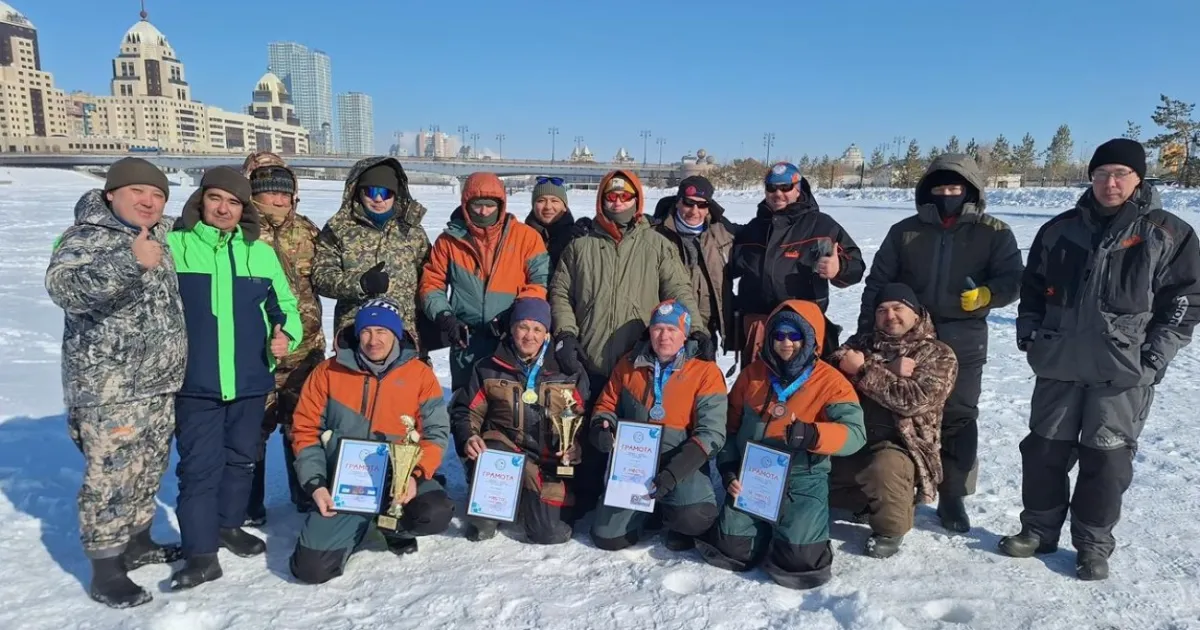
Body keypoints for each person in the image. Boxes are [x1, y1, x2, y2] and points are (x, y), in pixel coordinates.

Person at [1000, 139, 1200, 581]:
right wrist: (1030, 332)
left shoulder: (1168, 232)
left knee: (1106, 462)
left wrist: (1153, 357)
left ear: (1138, 179)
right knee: (1043, 452)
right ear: (1091, 177)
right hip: (1059, 363)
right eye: (1102, 173)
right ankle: (1037, 529)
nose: (1111, 183)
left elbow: (1185, 302)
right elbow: (1032, 288)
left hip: (1122, 371)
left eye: (1121, 174)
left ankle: (1092, 546)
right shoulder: (1060, 229)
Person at [45, 158, 187, 608]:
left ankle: (138, 540)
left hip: (157, 381)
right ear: (111, 194)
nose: (149, 202)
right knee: (110, 476)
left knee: (147, 467)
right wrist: (129, 262)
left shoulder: (159, 234)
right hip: (110, 389)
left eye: (158, 195)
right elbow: (63, 289)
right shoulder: (86, 236)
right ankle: (106, 568)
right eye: (138, 192)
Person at [856, 154, 1023, 533]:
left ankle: (953, 495)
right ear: (927, 192)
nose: (947, 194)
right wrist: (867, 331)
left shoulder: (993, 231)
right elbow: (878, 282)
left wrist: (988, 295)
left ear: (970, 190)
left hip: (963, 335)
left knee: (959, 415)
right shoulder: (905, 232)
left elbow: (1014, 279)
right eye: (940, 188)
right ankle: (898, 485)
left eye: (955, 188)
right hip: (906, 336)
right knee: (895, 407)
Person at [166, 167, 303, 590]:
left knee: (242, 459)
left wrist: (287, 336)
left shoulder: (257, 252)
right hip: (196, 381)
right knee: (199, 468)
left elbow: (285, 305)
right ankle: (201, 553)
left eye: (233, 202)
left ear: (244, 209)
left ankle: (228, 524)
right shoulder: (174, 246)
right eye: (216, 199)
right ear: (201, 201)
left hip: (249, 378)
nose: (223, 209)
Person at [699, 300, 865, 590]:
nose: (785, 342)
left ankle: (793, 530)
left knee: (799, 562)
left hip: (802, 479)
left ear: (810, 338)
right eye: (778, 335)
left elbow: (855, 434)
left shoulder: (831, 382)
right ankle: (762, 530)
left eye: (795, 335)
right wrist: (728, 470)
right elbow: (730, 426)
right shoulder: (751, 376)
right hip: (753, 477)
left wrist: (815, 435)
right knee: (732, 547)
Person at [289, 298, 454, 584]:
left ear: (396, 335)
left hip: (397, 479)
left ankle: (392, 526)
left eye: (382, 332)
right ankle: (355, 524)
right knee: (311, 569)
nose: (373, 340)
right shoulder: (328, 373)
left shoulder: (420, 375)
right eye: (366, 331)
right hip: (343, 484)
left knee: (434, 512)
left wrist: (415, 474)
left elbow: (436, 433)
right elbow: (304, 430)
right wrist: (315, 484)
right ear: (357, 333)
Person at [549, 170, 704, 402]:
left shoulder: (657, 245)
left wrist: (697, 330)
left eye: (625, 196)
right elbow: (560, 293)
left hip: (639, 362)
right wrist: (566, 333)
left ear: (636, 199)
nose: (618, 202)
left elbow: (678, 290)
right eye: (611, 197)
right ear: (602, 200)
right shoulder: (579, 246)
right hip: (588, 361)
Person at [829, 284, 958, 558]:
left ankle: (890, 528)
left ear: (915, 313)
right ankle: (861, 503)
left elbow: (913, 399)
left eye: (898, 308)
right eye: (882, 310)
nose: (890, 316)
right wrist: (886, 369)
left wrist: (864, 369)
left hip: (899, 446)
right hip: (852, 435)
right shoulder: (861, 342)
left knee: (884, 467)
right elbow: (832, 369)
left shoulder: (937, 353)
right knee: (811, 461)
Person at [588, 300, 726, 551]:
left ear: (684, 335)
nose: (664, 336)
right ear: (649, 332)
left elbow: (712, 433)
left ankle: (671, 511)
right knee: (608, 537)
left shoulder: (706, 372)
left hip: (680, 463)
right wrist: (602, 427)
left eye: (672, 330)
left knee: (694, 518)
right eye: (658, 329)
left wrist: (672, 475)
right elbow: (605, 406)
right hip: (635, 467)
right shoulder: (628, 365)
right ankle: (645, 513)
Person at [451, 296, 587, 544]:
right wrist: (468, 436)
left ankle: (528, 499)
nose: (529, 336)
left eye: (537, 329)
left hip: (547, 461)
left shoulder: (567, 371)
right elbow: (465, 411)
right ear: (512, 329)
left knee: (547, 533)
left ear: (547, 334)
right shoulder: (489, 367)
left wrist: (578, 445)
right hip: (506, 452)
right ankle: (488, 513)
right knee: (491, 452)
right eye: (523, 327)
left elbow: (582, 417)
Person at [241, 152, 327, 523]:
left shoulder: (307, 231)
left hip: (305, 352)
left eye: (284, 193)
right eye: (267, 192)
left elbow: (325, 277)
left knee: (302, 426)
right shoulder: (238, 231)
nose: (277, 200)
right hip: (253, 353)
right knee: (251, 431)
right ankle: (248, 505)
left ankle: (307, 493)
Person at [420, 172, 550, 391]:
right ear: (466, 204)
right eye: (477, 205)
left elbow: (540, 282)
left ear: (501, 204)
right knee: (465, 403)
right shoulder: (449, 241)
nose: (483, 211)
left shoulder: (526, 237)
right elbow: (432, 283)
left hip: (509, 338)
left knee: (505, 403)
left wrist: (515, 314)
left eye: (490, 205)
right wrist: (444, 315)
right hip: (465, 340)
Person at [728, 162, 865, 368]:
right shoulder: (754, 228)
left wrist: (839, 270)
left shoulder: (821, 225)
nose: (778, 194)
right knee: (755, 390)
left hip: (802, 326)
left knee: (802, 390)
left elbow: (856, 265)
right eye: (771, 188)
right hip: (759, 327)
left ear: (798, 189)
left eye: (785, 188)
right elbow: (729, 264)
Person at [312, 157, 435, 349]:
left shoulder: (412, 231)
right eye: (371, 191)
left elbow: (430, 276)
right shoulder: (339, 229)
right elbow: (321, 277)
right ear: (359, 191)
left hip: (404, 333)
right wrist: (360, 283)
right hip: (355, 333)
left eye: (385, 193)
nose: (378, 199)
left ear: (395, 194)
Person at [650, 176, 737, 355]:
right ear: (678, 202)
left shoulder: (724, 233)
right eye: (689, 203)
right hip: (666, 332)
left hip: (706, 333)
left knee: (702, 381)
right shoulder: (655, 234)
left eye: (702, 205)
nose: (694, 211)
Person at [523, 176, 590, 277]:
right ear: (533, 205)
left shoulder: (576, 237)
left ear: (564, 206)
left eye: (554, 201)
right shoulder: (522, 237)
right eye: (541, 200)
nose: (548, 207)